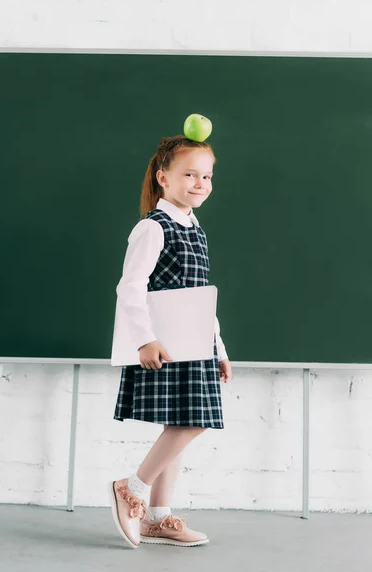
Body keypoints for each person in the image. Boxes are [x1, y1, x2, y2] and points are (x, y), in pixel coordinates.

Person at [108, 134, 232, 548]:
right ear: (163, 177)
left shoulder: (195, 228)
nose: (200, 183)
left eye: (207, 176)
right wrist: (144, 339)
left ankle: (158, 518)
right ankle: (132, 488)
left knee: (180, 422)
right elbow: (130, 288)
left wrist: (220, 348)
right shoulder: (152, 227)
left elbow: (201, 297)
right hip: (165, 344)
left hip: (196, 346)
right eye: (190, 174)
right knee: (193, 421)